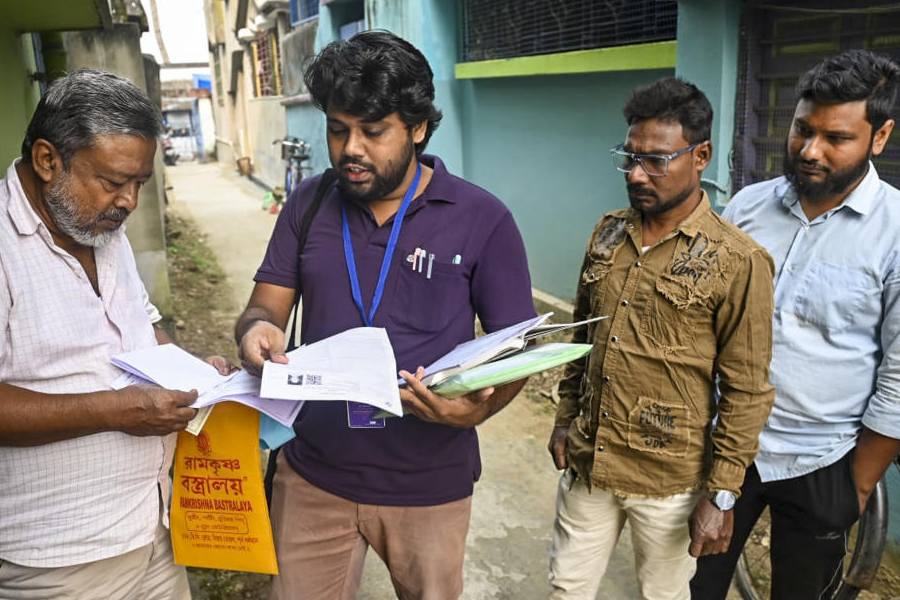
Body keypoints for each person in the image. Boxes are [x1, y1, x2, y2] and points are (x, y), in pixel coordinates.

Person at [234, 31, 535, 599]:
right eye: (338, 128)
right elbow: (263, 307)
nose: (351, 148)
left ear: (418, 128)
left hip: (428, 483)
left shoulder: (481, 218)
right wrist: (257, 333)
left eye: (373, 132)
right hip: (313, 474)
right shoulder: (309, 202)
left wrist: (476, 412)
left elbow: (515, 346)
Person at [0, 70, 234, 598]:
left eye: (139, 185)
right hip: (60, 559)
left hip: (154, 527)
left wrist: (200, 374)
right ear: (47, 160)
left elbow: (141, 328)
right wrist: (114, 410)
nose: (128, 201)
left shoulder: (100, 227)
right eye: (112, 182)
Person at [546, 77, 776, 600]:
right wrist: (564, 418)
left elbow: (747, 391)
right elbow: (581, 340)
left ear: (702, 155)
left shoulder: (737, 261)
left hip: (669, 482)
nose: (635, 173)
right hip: (591, 460)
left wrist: (721, 496)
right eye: (628, 157)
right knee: (565, 589)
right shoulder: (607, 233)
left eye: (655, 160)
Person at [691, 49, 900, 600]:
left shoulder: (895, 232)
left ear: (879, 138)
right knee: (691, 586)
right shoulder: (746, 209)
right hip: (722, 447)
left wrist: (855, 487)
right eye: (802, 130)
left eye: (836, 138)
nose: (810, 151)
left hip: (822, 459)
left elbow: (899, 375)